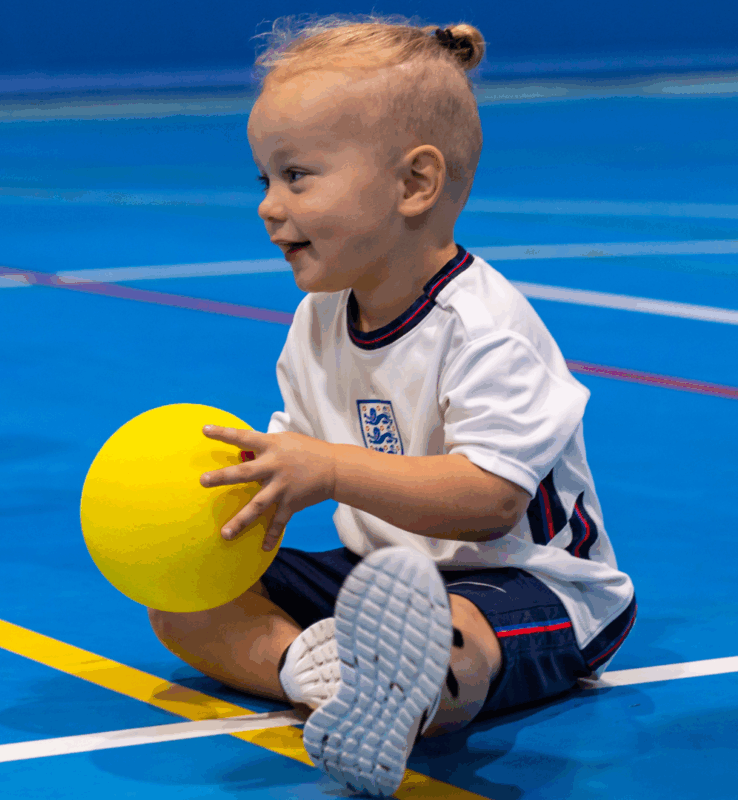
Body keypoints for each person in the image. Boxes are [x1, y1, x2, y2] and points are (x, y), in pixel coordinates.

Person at [148, 14, 637, 797]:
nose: (270, 206)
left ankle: (423, 692)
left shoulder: (484, 327)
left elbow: (489, 500)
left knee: (460, 634)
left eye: (297, 176)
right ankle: (320, 677)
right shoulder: (318, 320)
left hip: (527, 581)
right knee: (183, 602)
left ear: (414, 184)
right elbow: (298, 453)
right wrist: (229, 500)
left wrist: (330, 470)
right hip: (380, 577)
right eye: (264, 180)